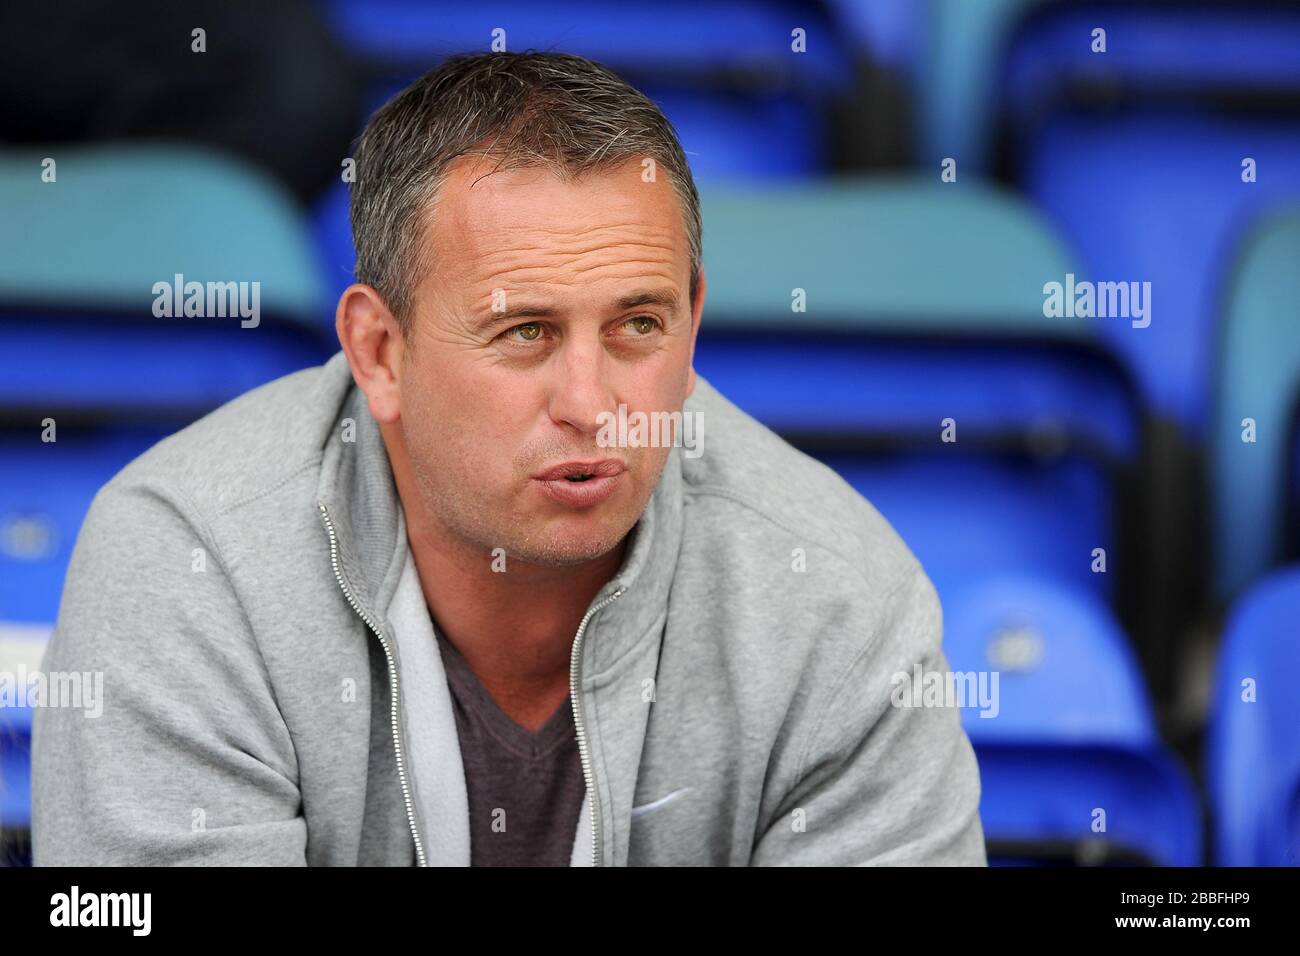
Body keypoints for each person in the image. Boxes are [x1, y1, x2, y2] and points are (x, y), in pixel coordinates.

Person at [32, 51, 985, 866]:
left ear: (694, 324)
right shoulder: (186, 566)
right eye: (525, 332)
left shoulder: (840, 598)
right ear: (378, 352)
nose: (590, 406)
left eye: (638, 326)